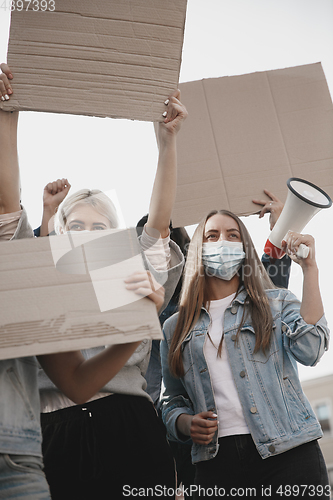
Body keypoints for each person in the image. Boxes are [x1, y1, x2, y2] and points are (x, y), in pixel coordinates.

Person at [0, 63, 187, 498]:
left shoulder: (132, 277)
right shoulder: (43, 276)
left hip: (129, 429)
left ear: (117, 238)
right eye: (76, 226)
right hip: (54, 435)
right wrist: (10, 115)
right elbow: (9, 210)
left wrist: (167, 144)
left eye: (99, 228)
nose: (86, 235)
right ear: (59, 234)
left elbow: (157, 224)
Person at [161, 208, 330, 499]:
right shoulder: (174, 327)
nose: (222, 242)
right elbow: (172, 399)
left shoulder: (275, 302)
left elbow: (311, 349)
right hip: (217, 465)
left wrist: (309, 270)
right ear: (198, 250)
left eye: (232, 235)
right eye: (212, 236)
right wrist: (186, 423)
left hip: (289, 455)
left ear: (244, 248)